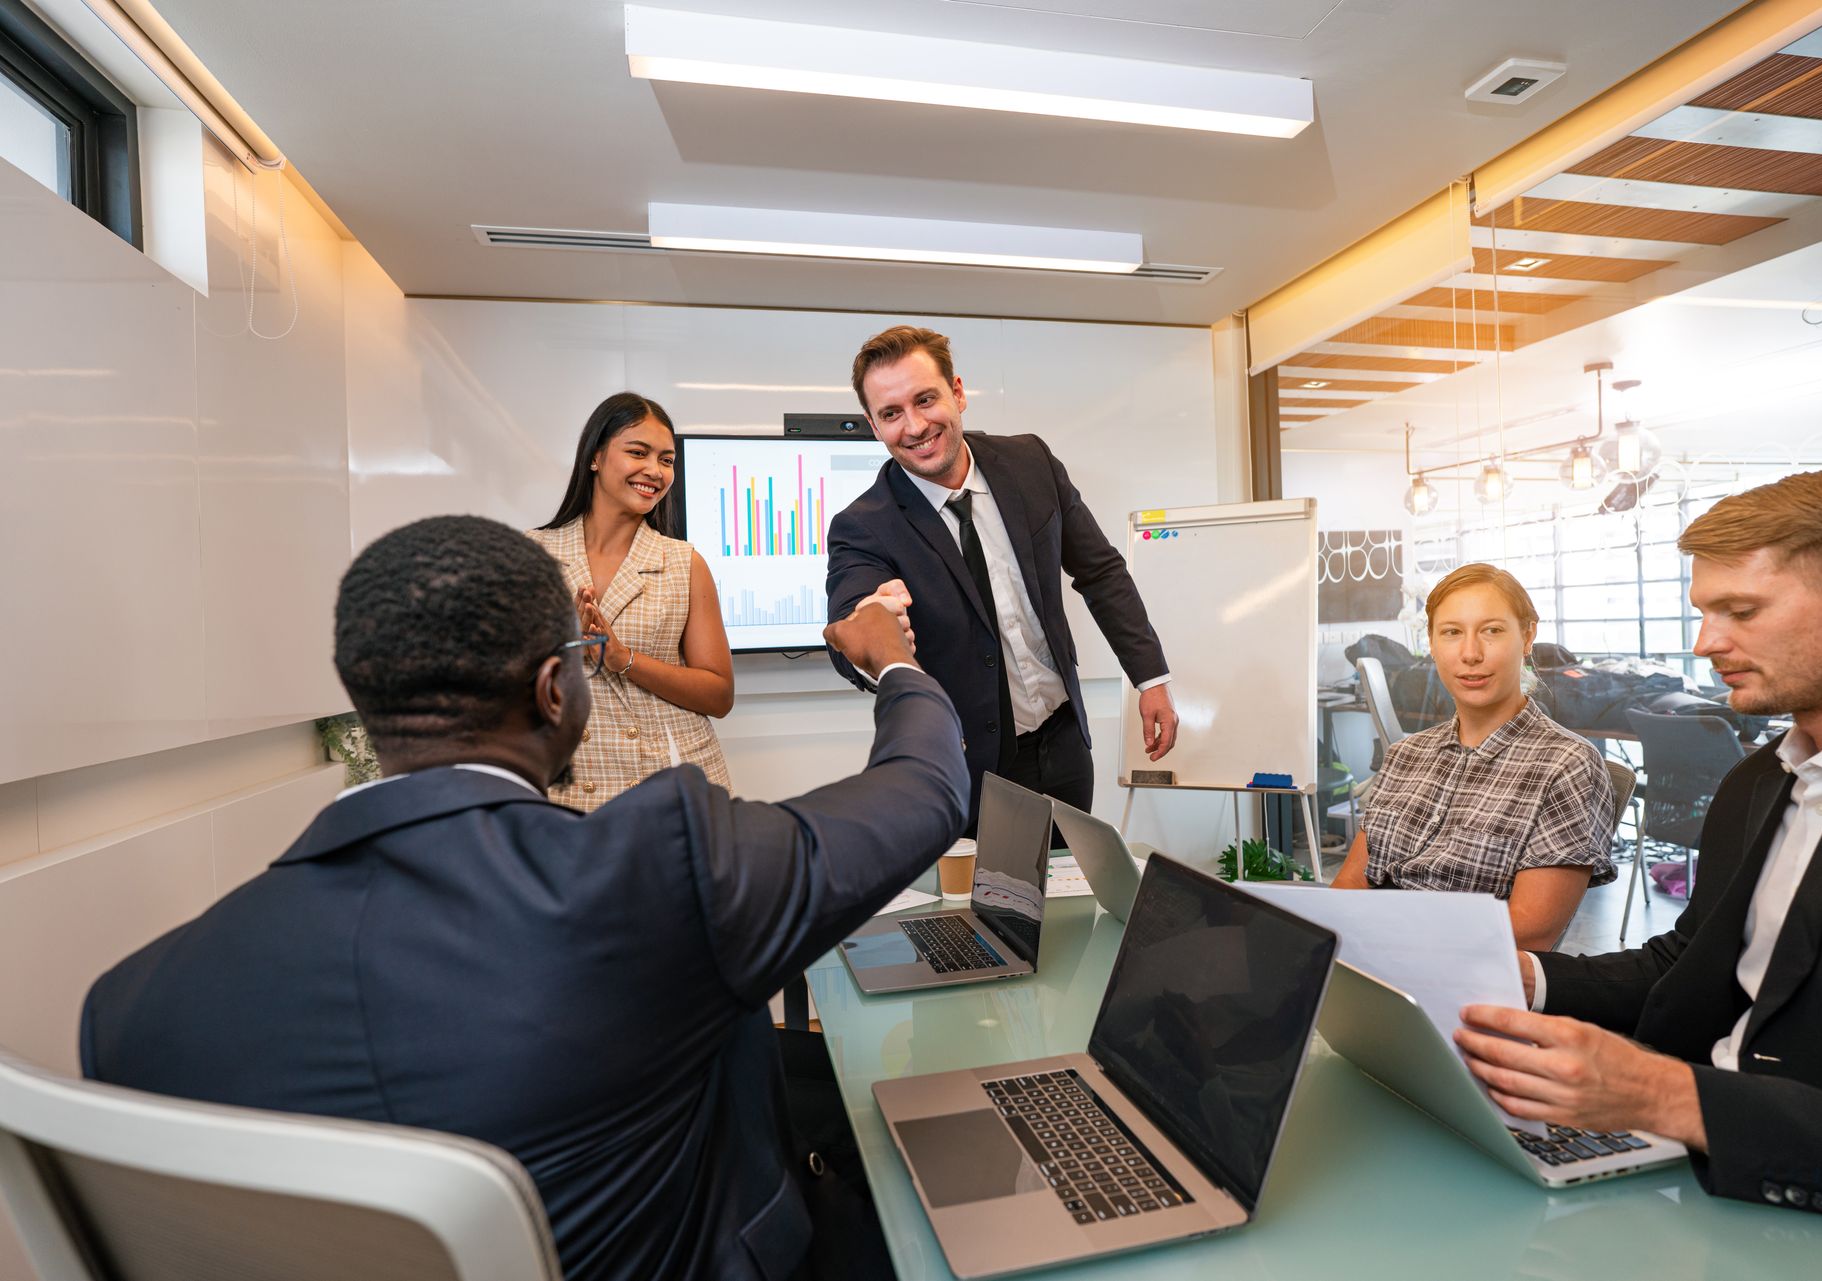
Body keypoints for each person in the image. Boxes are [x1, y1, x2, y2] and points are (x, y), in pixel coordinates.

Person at [80, 515, 967, 1281]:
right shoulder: (653, 874)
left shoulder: (130, 1011)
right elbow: (924, 788)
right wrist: (891, 662)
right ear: (554, 689)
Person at [1455, 470, 1822, 1229]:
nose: (1707, 643)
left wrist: (1671, 1097)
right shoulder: (1759, 781)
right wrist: (1531, 980)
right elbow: (1687, 963)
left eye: (1741, 610)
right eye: (1704, 611)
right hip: (1692, 1172)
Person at [825, 324, 1177, 828]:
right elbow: (849, 624)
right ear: (873, 424)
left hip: (1063, 744)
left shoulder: (1029, 463)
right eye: (891, 413)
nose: (915, 425)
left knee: (1069, 896)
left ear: (959, 393)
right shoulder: (864, 526)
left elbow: (1099, 571)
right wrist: (872, 627)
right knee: (985, 908)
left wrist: (1151, 678)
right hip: (965, 767)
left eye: (926, 399)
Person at [1331, 563, 1616, 950]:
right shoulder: (1405, 755)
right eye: (1451, 633)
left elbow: (1530, 930)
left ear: (1527, 635)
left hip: (1466, 984)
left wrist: (1387, 937)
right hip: (1369, 964)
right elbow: (1349, 887)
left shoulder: (1565, 763)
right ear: (1431, 642)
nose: (1470, 654)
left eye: (1492, 631)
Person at [528, 392, 733, 806]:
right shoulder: (532, 556)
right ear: (595, 457)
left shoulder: (683, 564)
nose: (654, 471)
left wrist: (624, 659)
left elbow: (718, 695)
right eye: (638, 452)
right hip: (565, 786)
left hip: (668, 786)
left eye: (667, 459)